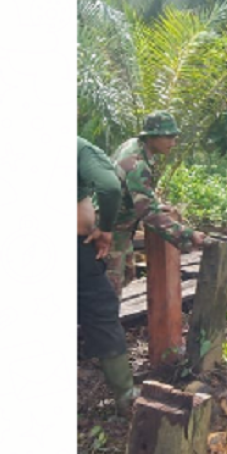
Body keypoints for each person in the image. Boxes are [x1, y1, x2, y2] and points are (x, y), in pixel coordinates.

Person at [106, 112, 206, 297]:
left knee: (128, 273)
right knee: (108, 291)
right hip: (108, 233)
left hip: (120, 229)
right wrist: (188, 235)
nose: (173, 142)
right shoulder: (137, 163)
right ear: (151, 136)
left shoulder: (133, 146)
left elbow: (132, 193)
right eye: (168, 137)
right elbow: (148, 213)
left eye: (174, 137)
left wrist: (154, 205)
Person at [77, 136, 139, 413]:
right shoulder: (78, 147)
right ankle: (125, 394)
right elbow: (110, 187)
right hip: (76, 250)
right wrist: (105, 229)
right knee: (101, 312)